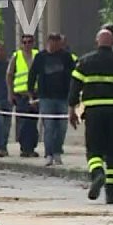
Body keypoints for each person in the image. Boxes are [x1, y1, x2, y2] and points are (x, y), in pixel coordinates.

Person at [69, 28, 113, 204]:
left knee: (93, 150)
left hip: (93, 113)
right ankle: (111, 192)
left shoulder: (84, 62)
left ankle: (97, 173)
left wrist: (71, 108)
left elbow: (74, 88)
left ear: (96, 42)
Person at [27, 32, 77, 166]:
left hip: (63, 97)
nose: (57, 46)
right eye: (54, 42)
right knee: (49, 126)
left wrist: (74, 95)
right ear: (49, 42)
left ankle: (57, 152)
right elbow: (32, 75)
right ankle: (49, 154)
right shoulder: (40, 57)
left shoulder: (66, 57)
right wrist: (31, 94)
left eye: (58, 43)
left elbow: (74, 76)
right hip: (46, 97)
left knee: (61, 127)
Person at [8, 33, 40, 158]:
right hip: (21, 95)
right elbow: (9, 75)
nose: (27, 45)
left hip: (35, 93)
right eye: (24, 42)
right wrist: (10, 94)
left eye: (29, 42)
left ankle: (31, 147)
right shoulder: (16, 56)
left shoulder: (37, 55)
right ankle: (25, 148)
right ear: (21, 44)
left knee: (33, 121)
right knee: (23, 122)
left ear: (33, 43)